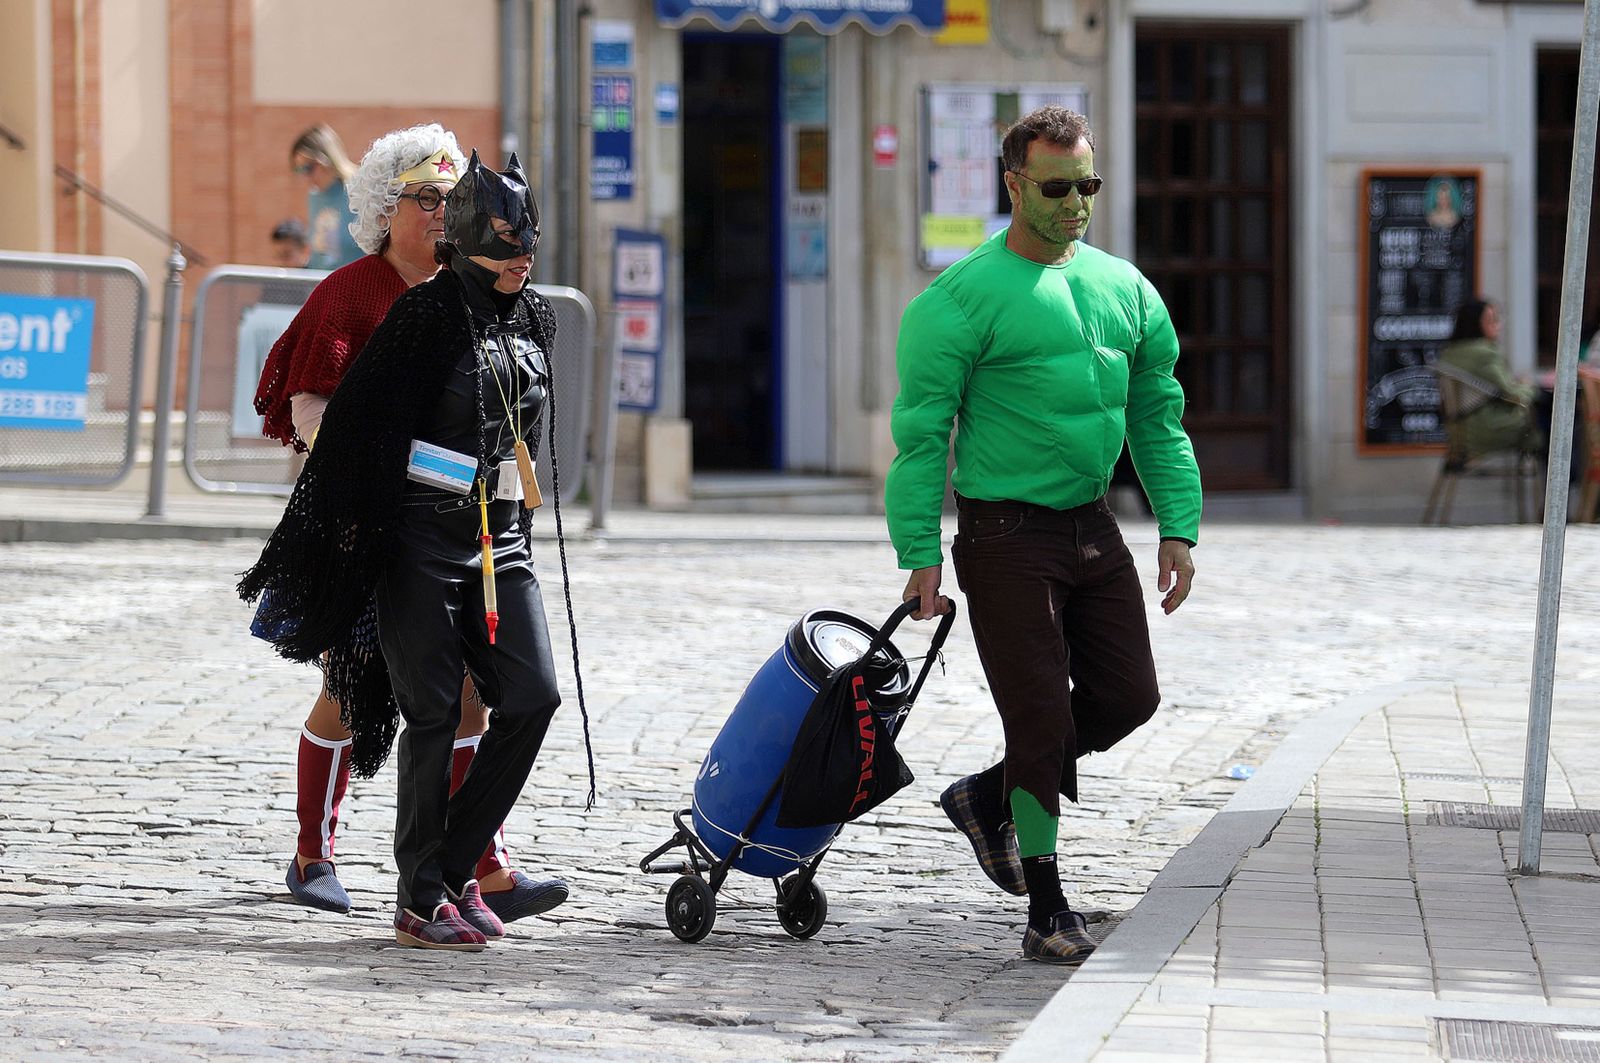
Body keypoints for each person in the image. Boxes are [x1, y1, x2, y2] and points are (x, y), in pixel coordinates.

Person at [242, 150, 585, 952]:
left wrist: (519, 525)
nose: (519, 258)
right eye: (502, 244)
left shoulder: (534, 314)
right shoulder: (404, 309)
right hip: (413, 538)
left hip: (500, 541)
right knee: (407, 706)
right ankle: (391, 878)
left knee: (529, 697)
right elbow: (345, 429)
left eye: (527, 245)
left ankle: (454, 866)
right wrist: (349, 546)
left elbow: (526, 435)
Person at [884, 106, 1201, 965]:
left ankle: (988, 795)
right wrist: (919, 551)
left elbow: (1158, 414)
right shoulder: (957, 299)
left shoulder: (1125, 287)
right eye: (1057, 188)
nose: (1075, 204)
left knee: (1129, 696)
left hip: (1094, 526)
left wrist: (1179, 524)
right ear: (1014, 183)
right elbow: (921, 435)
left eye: (1087, 186)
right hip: (1003, 534)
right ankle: (1047, 905)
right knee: (1037, 715)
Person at [1437, 298, 1541, 456]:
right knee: (1549, 419)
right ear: (1475, 323)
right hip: (1487, 428)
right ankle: (1564, 477)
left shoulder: (1449, 353)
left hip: (1458, 429)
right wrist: (1530, 387)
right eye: (1492, 320)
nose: (1498, 325)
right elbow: (1510, 393)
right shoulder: (1484, 354)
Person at [291, 124, 364, 270]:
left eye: (308, 168)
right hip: (321, 286)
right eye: (299, 170)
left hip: (358, 286)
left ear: (327, 159)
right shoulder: (314, 197)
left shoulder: (361, 190)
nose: (305, 177)